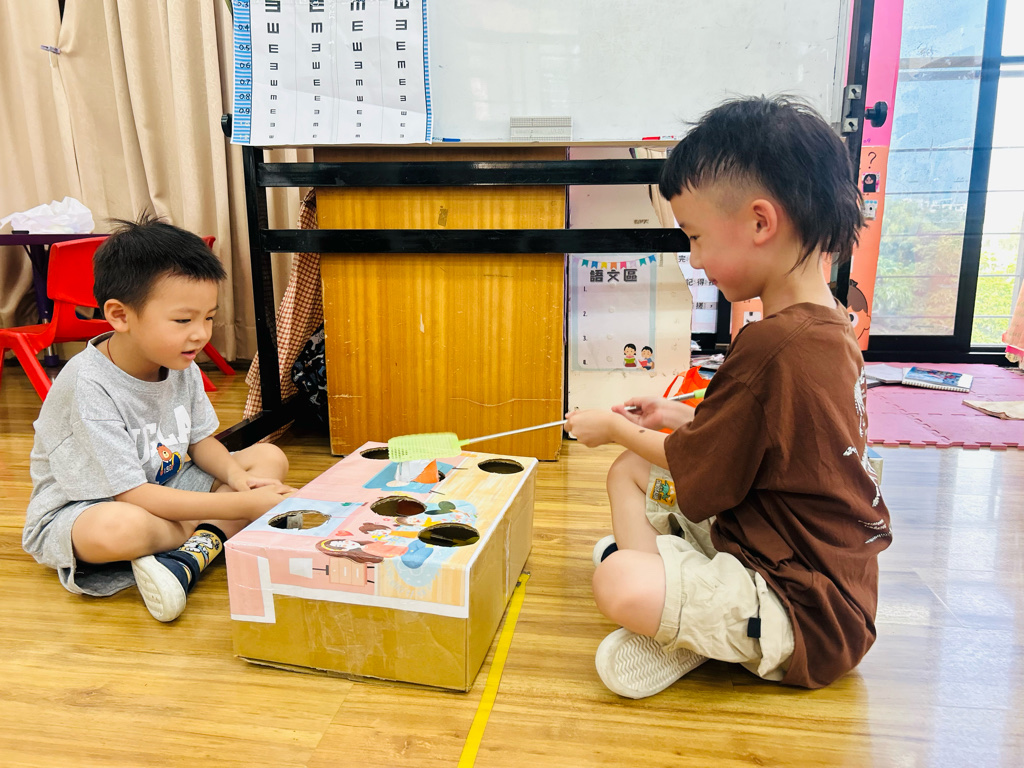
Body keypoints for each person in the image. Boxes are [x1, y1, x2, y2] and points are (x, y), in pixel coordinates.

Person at [564, 96, 891, 698]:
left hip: (800, 610)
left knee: (619, 577)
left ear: (761, 223)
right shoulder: (825, 324)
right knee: (633, 471)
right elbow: (768, 437)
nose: (693, 258)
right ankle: (684, 599)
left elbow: (701, 462)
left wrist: (612, 429)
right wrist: (677, 414)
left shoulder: (775, 343)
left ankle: (686, 627)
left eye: (696, 236)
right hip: (797, 564)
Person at [23, 215, 295, 622]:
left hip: (166, 485)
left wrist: (237, 479)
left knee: (268, 458)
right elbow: (132, 496)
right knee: (121, 529)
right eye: (184, 320)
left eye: (208, 317)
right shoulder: (87, 385)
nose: (201, 334)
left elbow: (200, 442)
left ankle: (186, 556)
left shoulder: (179, 361)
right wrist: (244, 503)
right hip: (94, 506)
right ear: (120, 315)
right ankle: (209, 534)